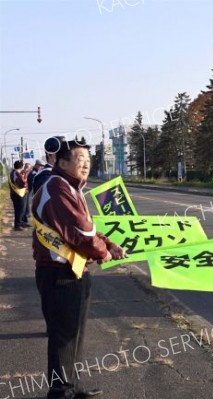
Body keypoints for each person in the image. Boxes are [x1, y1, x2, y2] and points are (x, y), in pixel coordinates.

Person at [32, 139, 127, 399]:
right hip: (59, 273)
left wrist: (109, 244)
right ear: (62, 163)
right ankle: (61, 391)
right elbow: (81, 233)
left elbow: (88, 227)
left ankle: (72, 387)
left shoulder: (70, 187)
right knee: (63, 337)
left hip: (74, 270)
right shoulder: (57, 188)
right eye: (79, 160)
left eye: (88, 160)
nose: (85, 164)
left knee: (74, 335)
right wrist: (103, 251)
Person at [8, 160, 31, 231]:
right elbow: (22, 183)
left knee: (21, 209)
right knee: (20, 209)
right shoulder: (16, 173)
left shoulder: (14, 172)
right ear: (21, 166)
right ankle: (17, 225)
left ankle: (21, 223)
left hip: (17, 193)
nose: (24, 167)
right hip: (18, 194)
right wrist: (26, 175)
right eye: (23, 165)